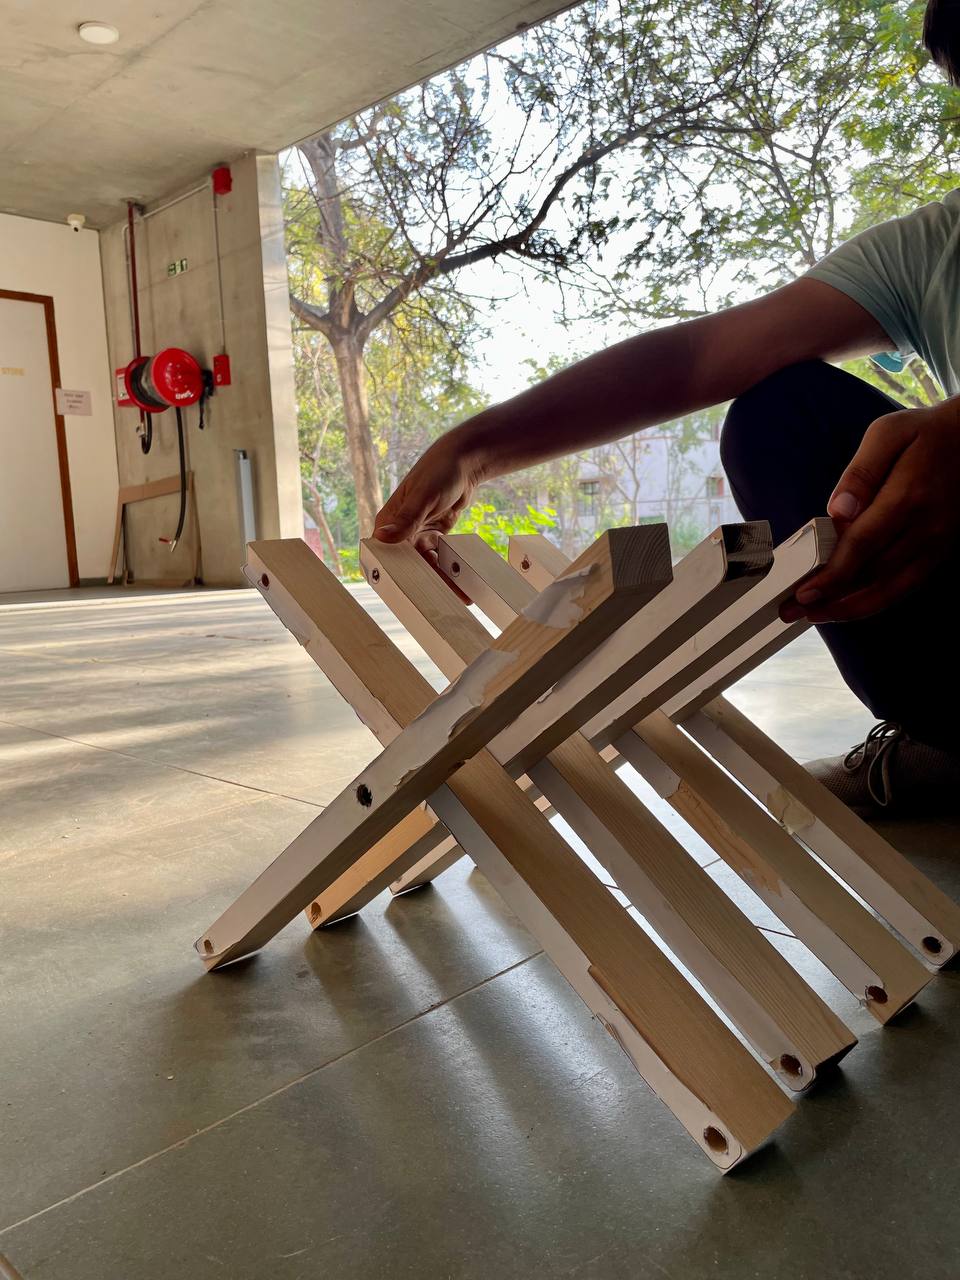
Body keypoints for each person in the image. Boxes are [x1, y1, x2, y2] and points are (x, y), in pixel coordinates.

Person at [373, 0, 960, 817]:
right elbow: (697, 359)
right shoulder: (936, 246)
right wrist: (478, 444)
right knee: (783, 414)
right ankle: (951, 738)